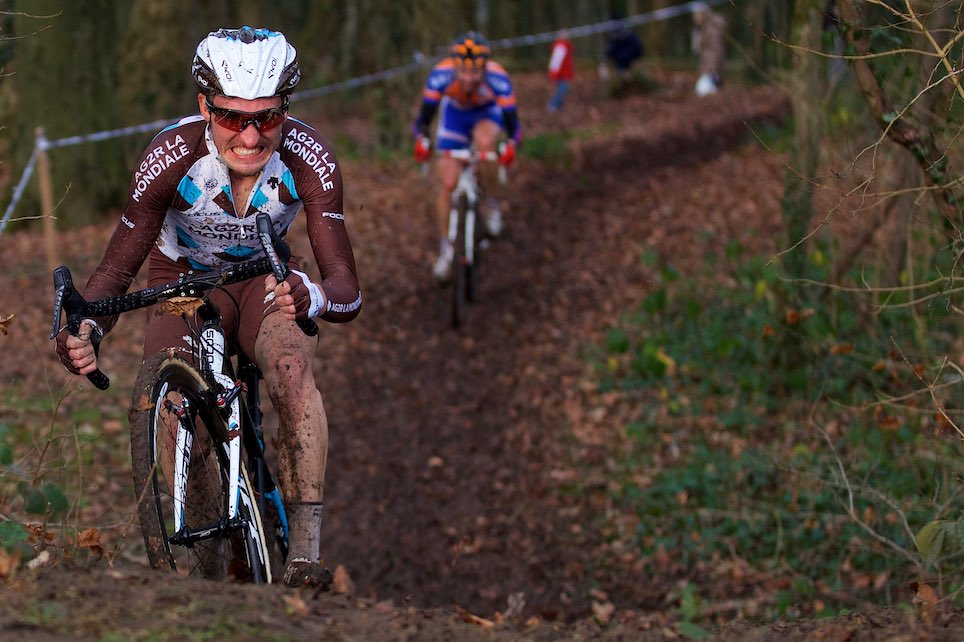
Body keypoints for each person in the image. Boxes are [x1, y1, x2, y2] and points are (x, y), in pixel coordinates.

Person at [55, 26, 362, 589]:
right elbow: (115, 270)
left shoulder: (309, 159)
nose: (249, 137)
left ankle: (305, 555)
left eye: (266, 118)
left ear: (285, 110)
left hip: (265, 279)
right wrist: (86, 326)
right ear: (203, 107)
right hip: (182, 283)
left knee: (291, 369)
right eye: (230, 117)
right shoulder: (170, 157)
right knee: (173, 407)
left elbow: (346, 285)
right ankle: (202, 573)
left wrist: (310, 294)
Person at [412, 31, 521, 282]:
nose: (469, 78)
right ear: (455, 67)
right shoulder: (440, 76)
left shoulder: (498, 79)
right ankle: (446, 250)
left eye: (475, 73)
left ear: (485, 69)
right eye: (464, 72)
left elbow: (513, 125)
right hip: (455, 116)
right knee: (447, 184)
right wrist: (422, 141)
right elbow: (423, 120)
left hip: (486, 113)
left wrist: (511, 145)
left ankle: (492, 204)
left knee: (485, 144)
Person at [691, 2, 727, 96]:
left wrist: (712, 70)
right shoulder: (703, 28)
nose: (694, 18)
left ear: (703, 14)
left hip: (711, 69)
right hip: (707, 68)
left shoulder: (712, 29)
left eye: (696, 15)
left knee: (702, 91)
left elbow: (716, 50)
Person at [604, 15, 643, 96]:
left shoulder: (625, 34)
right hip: (623, 58)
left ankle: (625, 75)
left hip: (628, 56)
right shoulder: (615, 35)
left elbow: (636, 47)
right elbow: (611, 48)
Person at [547, 30, 574, 113]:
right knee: (562, 89)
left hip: (563, 72)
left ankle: (559, 106)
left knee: (562, 89)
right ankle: (553, 105)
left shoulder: (564, 46)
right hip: (562, 73)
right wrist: (554, 72)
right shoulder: (561, 47)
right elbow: (556, 61)